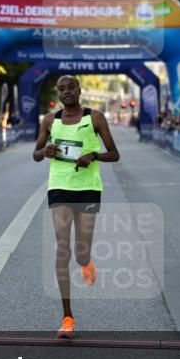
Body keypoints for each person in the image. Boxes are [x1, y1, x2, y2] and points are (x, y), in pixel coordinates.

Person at [32, 75, 120, 339]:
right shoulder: (49, 121)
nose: (66, 92)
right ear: (58, 93)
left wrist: (93, 155)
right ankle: (67, 317)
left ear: (80, 91)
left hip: (88, 189)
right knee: (62, 248)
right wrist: (44, 151)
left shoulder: (95, 118)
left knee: (81, 252)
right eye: (61, 89)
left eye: (71, 87)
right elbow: (36, 154)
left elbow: (114, 153)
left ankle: (86, 262)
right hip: (59, 188)